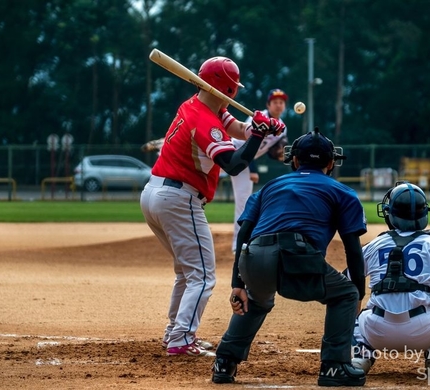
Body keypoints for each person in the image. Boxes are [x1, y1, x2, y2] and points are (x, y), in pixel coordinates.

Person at [140, 56, 285, 358]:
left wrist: (260, 128)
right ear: (229, 90)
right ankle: (181, 339)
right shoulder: (204, 120)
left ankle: (174, 333)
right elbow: (233, 165)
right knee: (203, 275)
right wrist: (257, 135)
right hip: (178, 199)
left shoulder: (199, 105)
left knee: (187, 272)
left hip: (156, 193)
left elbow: (234, 127)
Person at [211, 128, 368, 387]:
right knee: (345, 294)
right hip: (298, 255)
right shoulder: (342, 192)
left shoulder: (270, 187)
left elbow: (244, 235)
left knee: (255, 300)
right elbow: (353, 249)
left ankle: (224, 362)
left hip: (254, 257)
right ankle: (334, 367)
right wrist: (358, 293)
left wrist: (237, 284)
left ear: (294, 160)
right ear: (330, 163)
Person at [349, 182, 430, 377]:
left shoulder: (373, 245)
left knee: (353, 308)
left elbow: (350, 282)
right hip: (424, 332)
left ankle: (361, 355)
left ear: (390, 213)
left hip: (376, 332)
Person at [230, 89, 289, 253]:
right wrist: (253, 169)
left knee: (243, 201)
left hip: (244, 163)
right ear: (268, 104)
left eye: (281, 102)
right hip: (230, 152)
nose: (278, 105)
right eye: (275, 102)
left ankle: (237, 244)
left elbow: (272, 150)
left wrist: (279, 153)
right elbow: (248, 143)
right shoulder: (257, 118)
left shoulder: (282, 128)